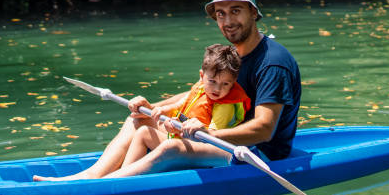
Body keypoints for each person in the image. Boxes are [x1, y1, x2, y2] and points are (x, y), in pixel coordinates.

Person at [33, 0, 301, 181]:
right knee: (138, 119)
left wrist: (210, 133)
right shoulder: (231, 54)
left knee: (172, 147)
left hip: (260, 154)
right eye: (220, 13)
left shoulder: (272, 63)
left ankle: (99, 190)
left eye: (235, 11)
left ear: (253, 12)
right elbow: (200, 93)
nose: (227, 20)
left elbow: (265, 130)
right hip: (217, 137)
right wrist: (155, 108)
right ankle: (90, 178)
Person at [34, 44, 250, 180]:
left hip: (211, 148)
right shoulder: (203, 87)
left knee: (164, 141)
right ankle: (111, 178)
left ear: (233, 83)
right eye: (213, 82)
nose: (218, 89)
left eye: (225, 85)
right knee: (142, 127)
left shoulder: (225, 105)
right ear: (201, 76)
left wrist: (186, 128)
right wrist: (156, 111)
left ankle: (113, 183)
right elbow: (183, 104)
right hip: (186, 136)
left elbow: (212, 137)